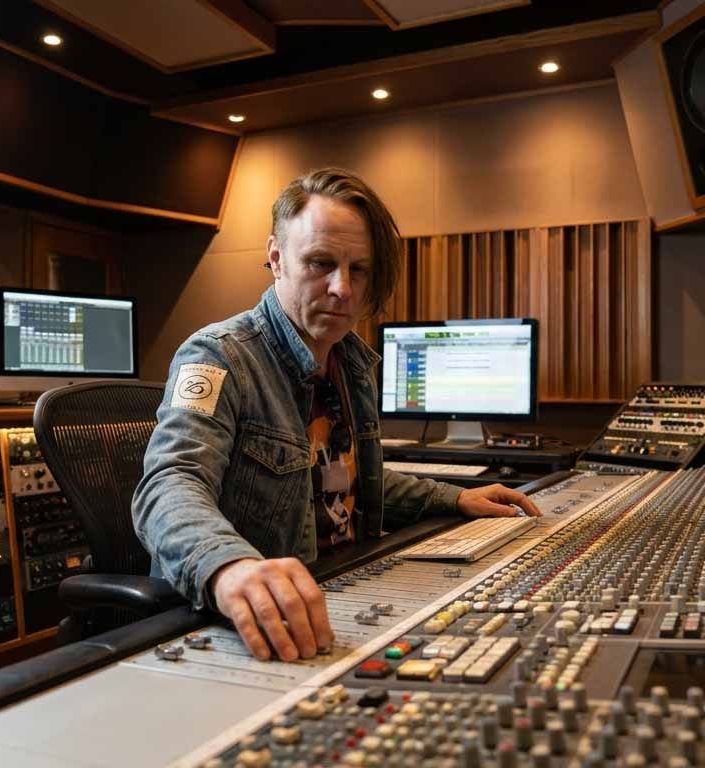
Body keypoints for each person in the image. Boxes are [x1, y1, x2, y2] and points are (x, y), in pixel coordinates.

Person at [132, 167, 541, 663]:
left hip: (341, 591)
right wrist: (229, 567)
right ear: (276, 257)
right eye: (321, 263)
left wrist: (454, 498)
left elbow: (345, 481)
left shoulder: (349, 361)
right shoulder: (218, 356)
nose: (343, 289)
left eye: (358, 270)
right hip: (258, 619)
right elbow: (171, 483)